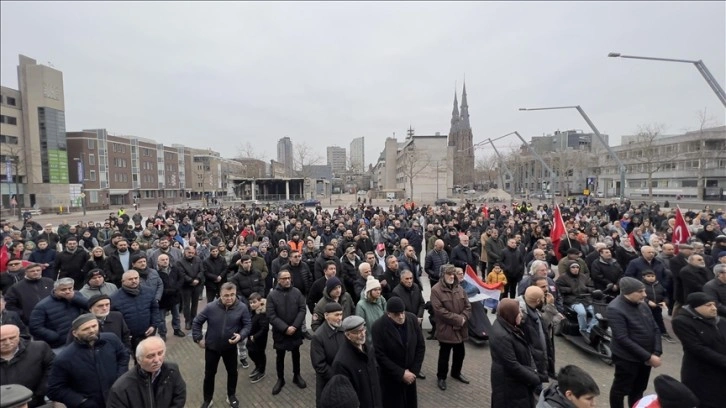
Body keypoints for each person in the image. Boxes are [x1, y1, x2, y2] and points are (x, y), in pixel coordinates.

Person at [47, 314, 129, 408]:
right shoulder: (64, 358)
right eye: (86, 329)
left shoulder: (111, 339)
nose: (92, 331)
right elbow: (54, 389)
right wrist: (81, 401)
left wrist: (120, 378)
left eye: (94, 326)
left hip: (117, 400)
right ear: (75, 333)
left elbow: (123, 356)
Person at [192, 282, 251, 408]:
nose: (229, 298)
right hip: (212, 348)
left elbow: (247, 325)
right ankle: (208, 399)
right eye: (226, 296)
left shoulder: (242, 307)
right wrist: (198, 339)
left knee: (232, 373)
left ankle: (231, 396)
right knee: (209, 374)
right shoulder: (210, 307)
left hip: (230, 348)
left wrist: (241, 336)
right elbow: (197, 322)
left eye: (232, 295)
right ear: (220, 295)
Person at [606, 277, 662, 408]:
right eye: (640, 291)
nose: (645, 294)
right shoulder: (615, 308)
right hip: (627, 359)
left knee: (638, 390)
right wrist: (648, 357)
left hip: (645, 359)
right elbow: (622, 338)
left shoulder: (642, 304)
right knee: (620, 390)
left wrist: (656, 352)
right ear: (628, 292)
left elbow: (655, 328)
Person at [671, 292, 726, 408]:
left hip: (721, 371)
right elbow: (697, 348)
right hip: (701, 373)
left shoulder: (721, 321)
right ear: (696, 307)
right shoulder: (682, 322)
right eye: (708, 305)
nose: (714, 308)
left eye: (714, 304)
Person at [371, 297, 426, 408]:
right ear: (388, 314)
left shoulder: (412, 320)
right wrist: (401, 374)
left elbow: (420, 346)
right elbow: (380, 355)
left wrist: (413, 372)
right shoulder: (378, 327)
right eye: (396, 314)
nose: (401, 317)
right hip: (391, 378)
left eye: (402, 312)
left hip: (410, 376)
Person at [490, 298, 542, 408]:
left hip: (515, 380)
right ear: (510, 314)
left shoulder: (508, 325)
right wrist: (534, 378)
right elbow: (512, 365)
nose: (521, 315)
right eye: (518, 313)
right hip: (509, 384)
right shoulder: (503, 336)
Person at [106, 337, 186, 408]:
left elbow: (179, 397)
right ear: (139, 359)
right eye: (150, 356)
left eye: (160, 353)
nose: (157, 360)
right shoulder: (121, 388)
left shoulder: (172, 370)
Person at [430, 264, 471, 391]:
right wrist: (458, 319)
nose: (452, 276)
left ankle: (456, 372)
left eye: (453, 274)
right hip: (446, 328)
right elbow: (439, 311)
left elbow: (468, 306)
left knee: (460, 353)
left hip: (460, 328)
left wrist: (463, 317)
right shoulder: (436, 290)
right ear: (443, 275)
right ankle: (441, 377)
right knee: (444, 355)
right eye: (449, 274)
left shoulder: (459, 288)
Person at [266, 269, 308, 395]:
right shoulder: (272, 295)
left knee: (296, 354)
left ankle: (297, 375)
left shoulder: (297, 292)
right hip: (280, 332)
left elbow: (302, 309)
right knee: (280, 356)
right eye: (284, 278)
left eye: (289, 278)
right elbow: (271, 315)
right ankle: (280, 379)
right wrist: (285, 328)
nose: (287, 280)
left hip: (295, 331)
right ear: (278, 280)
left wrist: (295, 326)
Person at [331, 315, 383, 408]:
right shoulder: (341, 363)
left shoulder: (368, 349)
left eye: (363, 329)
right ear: (348, 335)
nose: (363, 334)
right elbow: (345, 396)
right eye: (357, 332)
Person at [0, 324, 54, 408]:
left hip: (36, 402)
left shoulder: (39, 348)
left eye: (12, 338)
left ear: (19, 335)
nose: (7, 342)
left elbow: (52, 370)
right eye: (2, 340)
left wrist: (39, 394)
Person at [111, 270, 160, 362]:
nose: (134, 281)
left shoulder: (148, 291)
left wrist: (153, 325)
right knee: (139, 359)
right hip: (131, 337)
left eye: (136, 278)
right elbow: (114, 320)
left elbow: (154, 309)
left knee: (152, 356)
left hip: (148, 332)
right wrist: (123, 334)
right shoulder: (114, 298)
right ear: (123, 281)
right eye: (130, 279)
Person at [29, 278, 88, 354]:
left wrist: (74, 298)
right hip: (59, 345)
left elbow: (90, 306)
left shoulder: (76, 296)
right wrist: (54, 336)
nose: (67, 292)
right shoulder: (42, 305)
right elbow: (35, 327)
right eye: (63, 290)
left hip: (78, 339)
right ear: (55, 290)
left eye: (70, 288)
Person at [310, 302, 346, 408]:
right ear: (326, 316)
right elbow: (319, 365)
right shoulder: (318, 337)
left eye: (341, 314)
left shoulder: (344, 330)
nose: (340, 318)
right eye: (336, 315)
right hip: (328, 383)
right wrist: (337, 377)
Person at [519, 286, 555, 382]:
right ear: (538, 301)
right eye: (543, 297)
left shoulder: (533, 310)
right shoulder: (525, 319)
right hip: (534, 367)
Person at [556, 261, 597, 340]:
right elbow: (558, 288)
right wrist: (570, 290)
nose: (575, 269)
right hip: (572, 300)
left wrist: (587, 289)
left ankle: (589, 330)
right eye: (573, 267)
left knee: (597, 313)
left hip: (586, 299)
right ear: (569, 268)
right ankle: (583, 330)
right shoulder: (563, 277)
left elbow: (591, 286)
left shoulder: (583, 277)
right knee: (582, 312)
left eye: (577, 267)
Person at [156, 253, 185, 340]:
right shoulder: (155, 272)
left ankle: (177, 329)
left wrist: (176, 289)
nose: (165, 261)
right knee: (161, 318)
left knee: (176, 315)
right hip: (162, 298)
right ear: (158, 261)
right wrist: (166, 291)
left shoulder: (175, 269)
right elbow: (156, 285)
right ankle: (162, 333)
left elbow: (181, 279)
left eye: (166, 259)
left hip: (174, 297)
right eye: (163, 260)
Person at [177, 245, 204, 331]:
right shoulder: (180, 262)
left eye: (192, 253)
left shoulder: (198, 259)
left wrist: (197, 279)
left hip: (197, 285)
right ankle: (187, 321)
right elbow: (182, 274)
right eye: (189, 252)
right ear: (185, 252)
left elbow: (201, 270)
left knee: (195, 303)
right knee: (186, 305)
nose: (191, 254)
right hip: (186, 286)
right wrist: (191, 280)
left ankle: (194, 319)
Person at [355, 276, 387, 344]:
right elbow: (361, 326)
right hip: (370, 341)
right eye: (375, 290)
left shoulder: (381, 299)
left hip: (384, 337)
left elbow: (387, 315)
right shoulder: (361, 305)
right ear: (369, 291)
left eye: (379, 289)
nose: (378, 292)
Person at [246, 292, 269, 384]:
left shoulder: (263, 314)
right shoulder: (252, 311)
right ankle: (258, 366)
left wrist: (255, 336)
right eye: (250, 303)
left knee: (260, 354)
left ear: (260, 302)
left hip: (259, 339)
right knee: (251, 352)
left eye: (254, 302)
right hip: (251, 337)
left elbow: (264, 329)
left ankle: (261, 371)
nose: (252, 304)